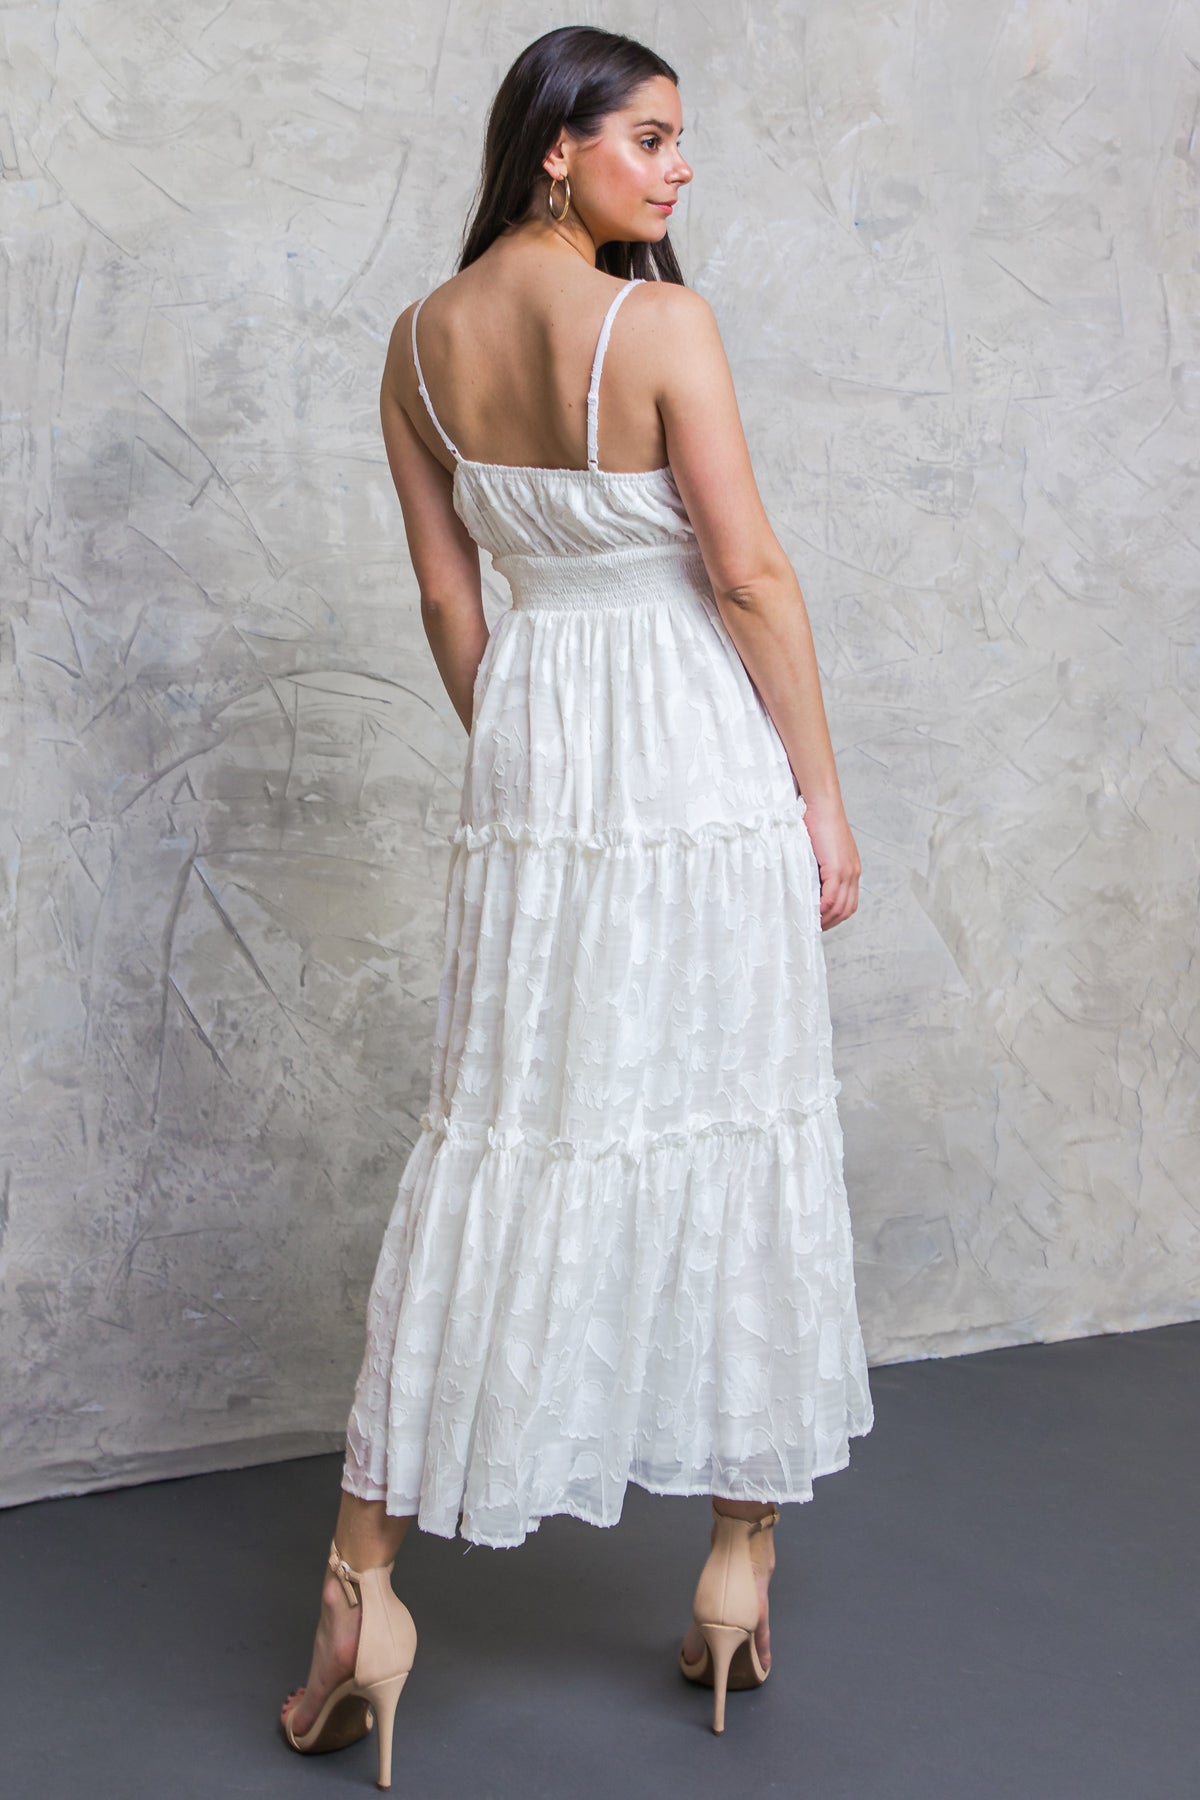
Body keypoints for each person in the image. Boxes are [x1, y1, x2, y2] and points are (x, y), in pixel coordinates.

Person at [280, 24, 873, 1783]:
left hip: (541, 768)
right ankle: (737, 1568)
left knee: (500, 1134)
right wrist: (818, 795)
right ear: (557, 147)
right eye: (651, 139)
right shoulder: (659, 325)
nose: (678, 171)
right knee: (732, 1118)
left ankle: (360, 1592)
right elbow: (748, 575)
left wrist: (532, 774)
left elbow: (452, 610)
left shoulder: (415, 348)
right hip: (696, 769)